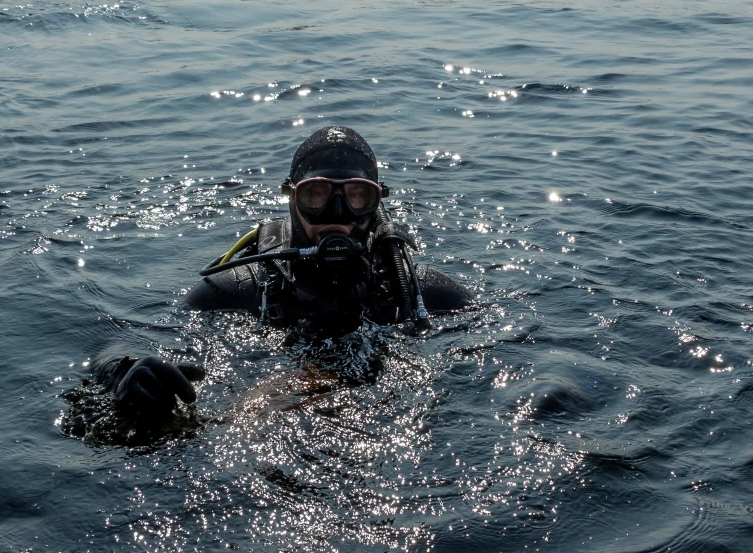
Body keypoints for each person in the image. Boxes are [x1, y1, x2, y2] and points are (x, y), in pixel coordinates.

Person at [89, 127, 471, 431]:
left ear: (377, 204)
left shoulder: (422, 292)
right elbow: (125, 343)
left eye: (357, 197)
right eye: (316, 196)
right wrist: (123, 369)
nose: (337, 215)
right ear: (292, 198)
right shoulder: (236, 289)